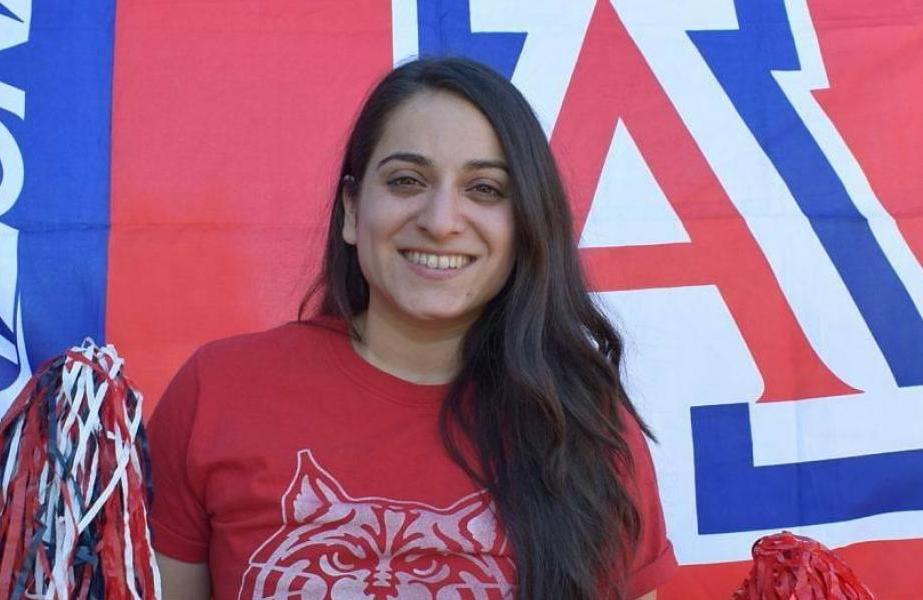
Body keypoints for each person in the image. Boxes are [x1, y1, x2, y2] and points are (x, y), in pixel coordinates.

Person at [148, 57, 677, 599]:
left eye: (486, 189)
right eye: (406, 180)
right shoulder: (218, 391)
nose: (440, 220)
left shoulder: (587, 427)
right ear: (353, 211)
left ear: (526, 225)